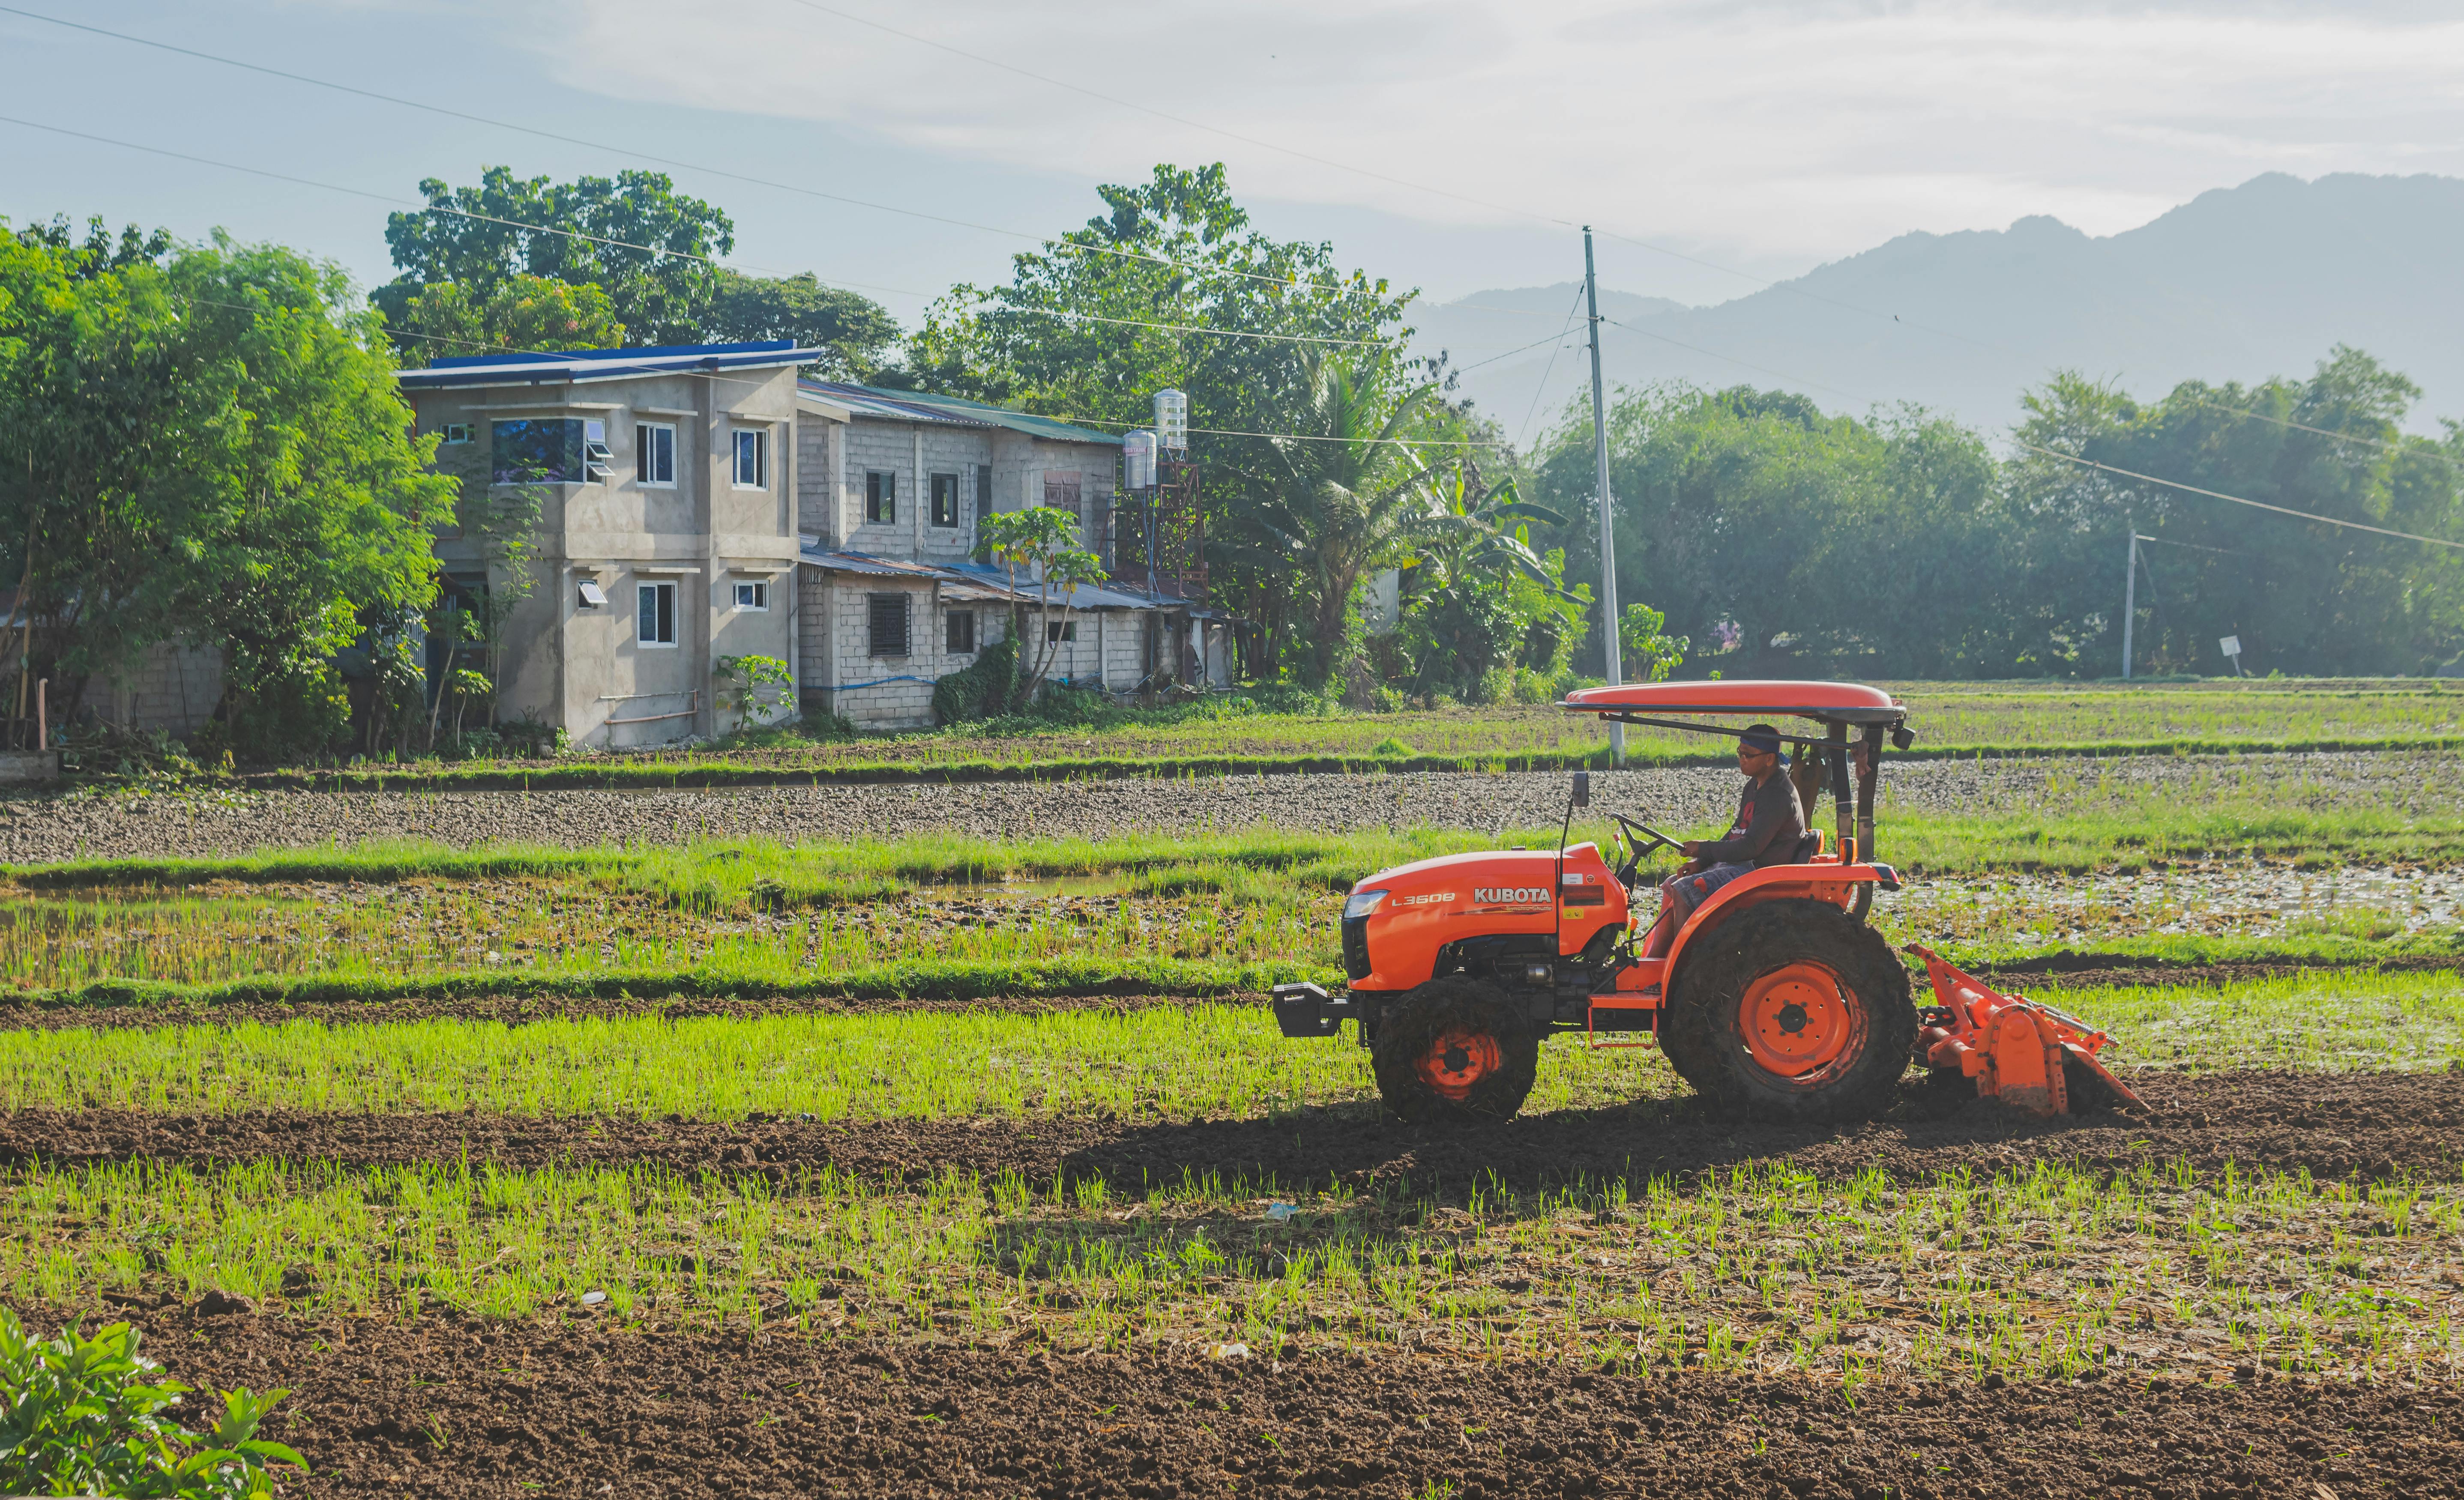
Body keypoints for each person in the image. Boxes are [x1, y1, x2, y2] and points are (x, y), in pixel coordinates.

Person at [1639, 723, 1805, 959]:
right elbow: (1737, 831)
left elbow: (1750, 847)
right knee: (1672, 883)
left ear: (1770, 759)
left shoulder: (1778, 795)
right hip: (1743, 864)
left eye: (1748, 755)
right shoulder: (1755, 785)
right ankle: (1653, 962)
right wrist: (1701, 861)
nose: (1742, 759)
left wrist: (1703, 848)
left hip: (1758, 871)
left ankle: (1683, 969)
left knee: (1684, 890)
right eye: (1740, 753)